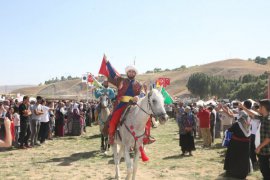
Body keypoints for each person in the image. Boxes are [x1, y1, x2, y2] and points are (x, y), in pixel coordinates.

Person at [105, 62, 153, 145]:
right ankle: (111, 137)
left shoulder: (139, 84)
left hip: (134, 105)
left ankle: (146, 137)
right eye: (130, 71)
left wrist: (138, 96)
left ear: (135, 73)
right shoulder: (121, 81)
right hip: (122, 104)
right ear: (127, 73)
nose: (131, 73)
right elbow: (113, 74)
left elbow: (142, 93)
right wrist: (108, 63)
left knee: (147, 119)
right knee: (113, 119)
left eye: (133, 72)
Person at [240, 100, 270, 179]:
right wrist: (243, 107)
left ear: (263, 107)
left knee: (265, 169)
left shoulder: (268, 120)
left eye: (259, 106)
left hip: (265, 150)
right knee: (264, 169)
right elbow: (252, 114)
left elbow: (268, 138)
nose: (258, 108)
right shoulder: (263, 117)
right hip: (262, 149)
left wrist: (259, 147)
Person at [224, 111, 251, 179]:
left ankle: (233, 172)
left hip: (235, 144)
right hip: (245, 145)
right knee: (243, 159)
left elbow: (230, 130)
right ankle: (242, 173)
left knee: (234, 157)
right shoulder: (249, 124)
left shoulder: (237, 124)